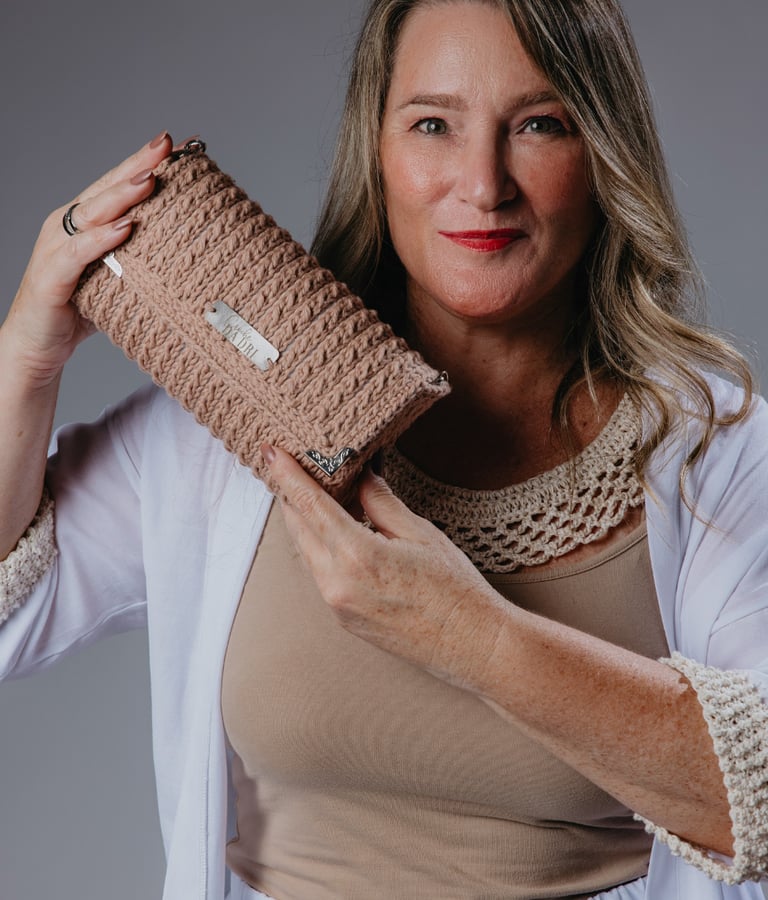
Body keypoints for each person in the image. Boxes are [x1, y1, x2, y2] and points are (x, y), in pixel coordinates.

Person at [1, 0, 767, 898]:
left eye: (540, 124)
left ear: (604, 151)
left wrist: (474, 638)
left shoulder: (718, 449)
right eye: (433, 124)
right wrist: (25, 355)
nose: (483, 184)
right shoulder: (229, 418)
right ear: (377, 153)